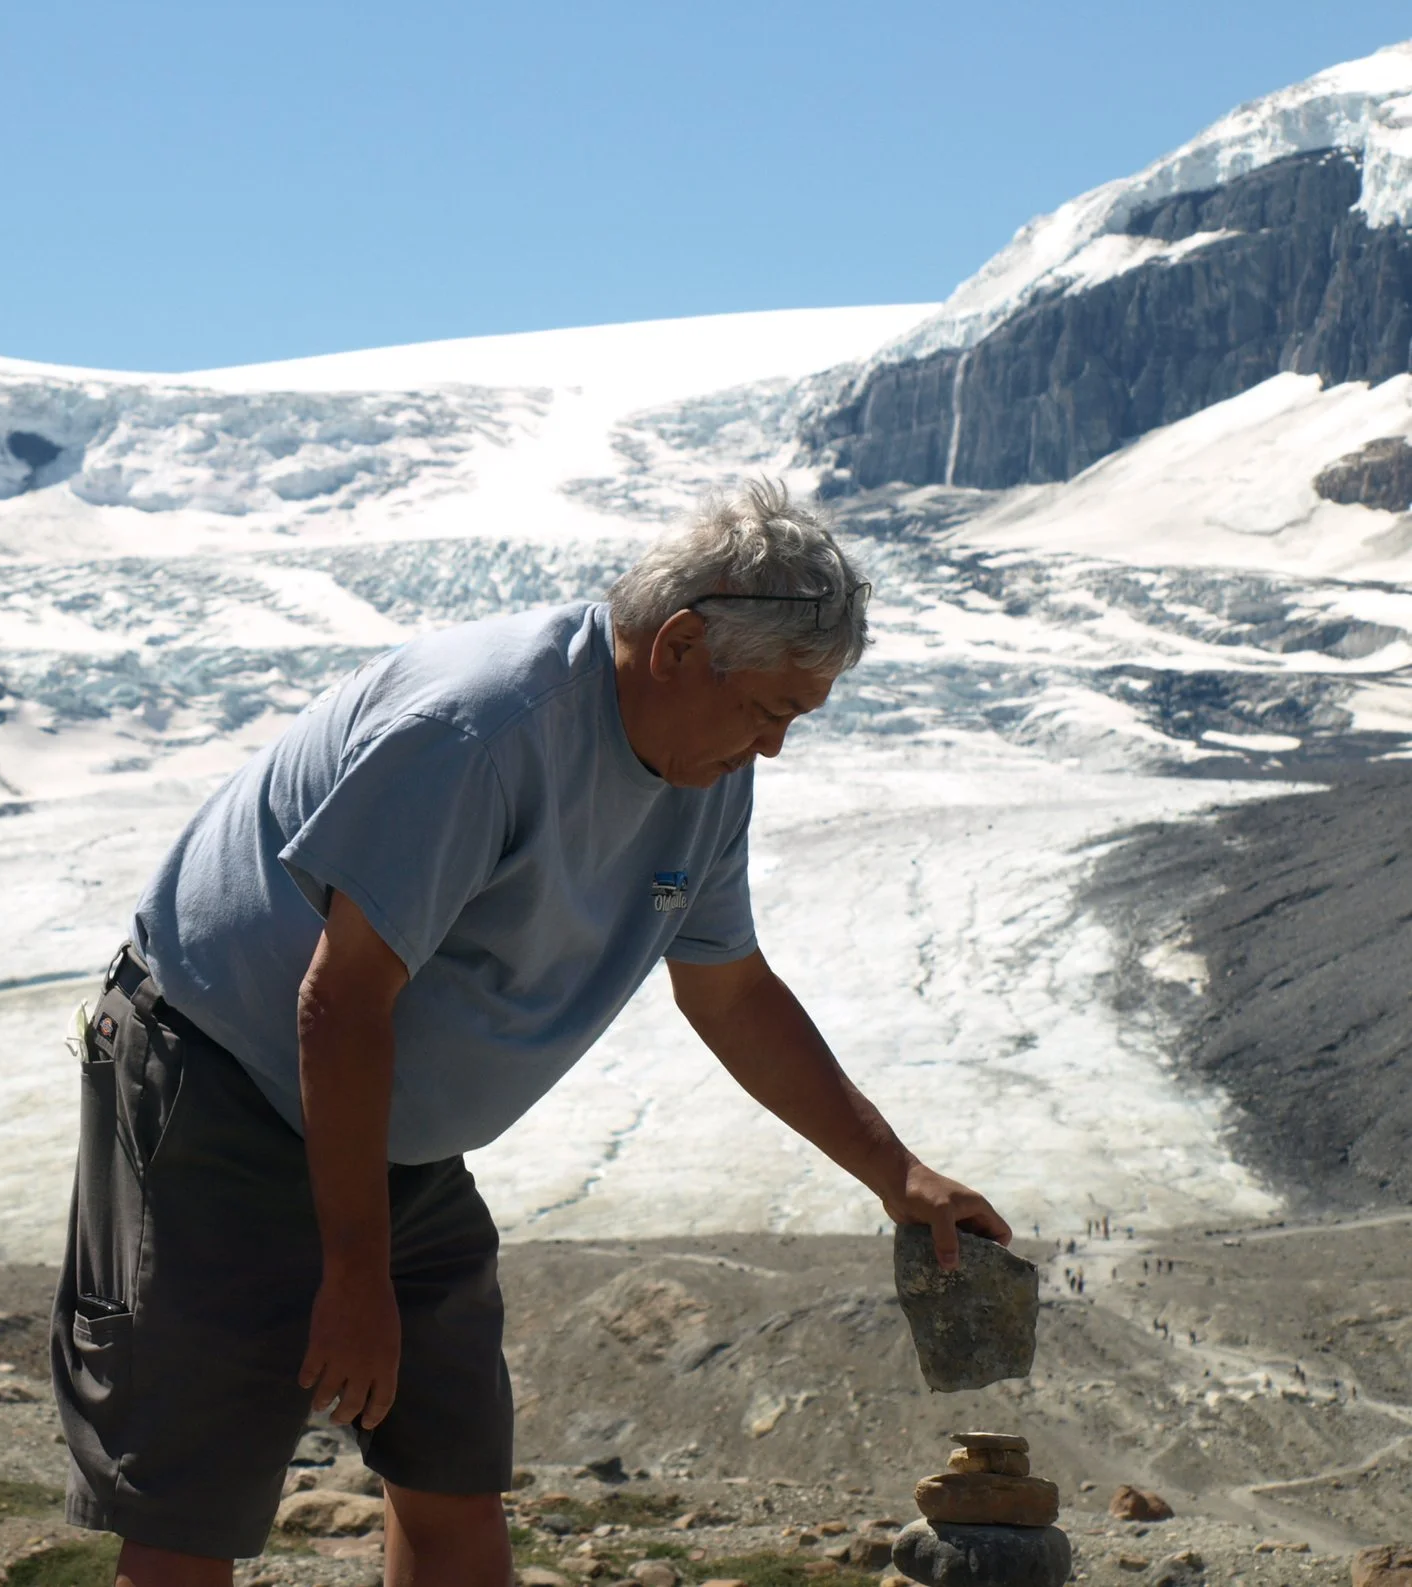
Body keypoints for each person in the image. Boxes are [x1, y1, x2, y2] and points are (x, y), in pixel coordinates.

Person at [53, 479, 1009, 1587]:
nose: (775, 748)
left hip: (390, 1134)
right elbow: (340, 998)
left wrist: (897, 1174)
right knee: (190, 1506)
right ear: (680, 647)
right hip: (221, 1091)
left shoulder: (706, 774)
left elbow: (730, 992)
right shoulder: (481, 730)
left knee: (453, 1470)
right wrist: (354, 1271)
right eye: (769, 712)